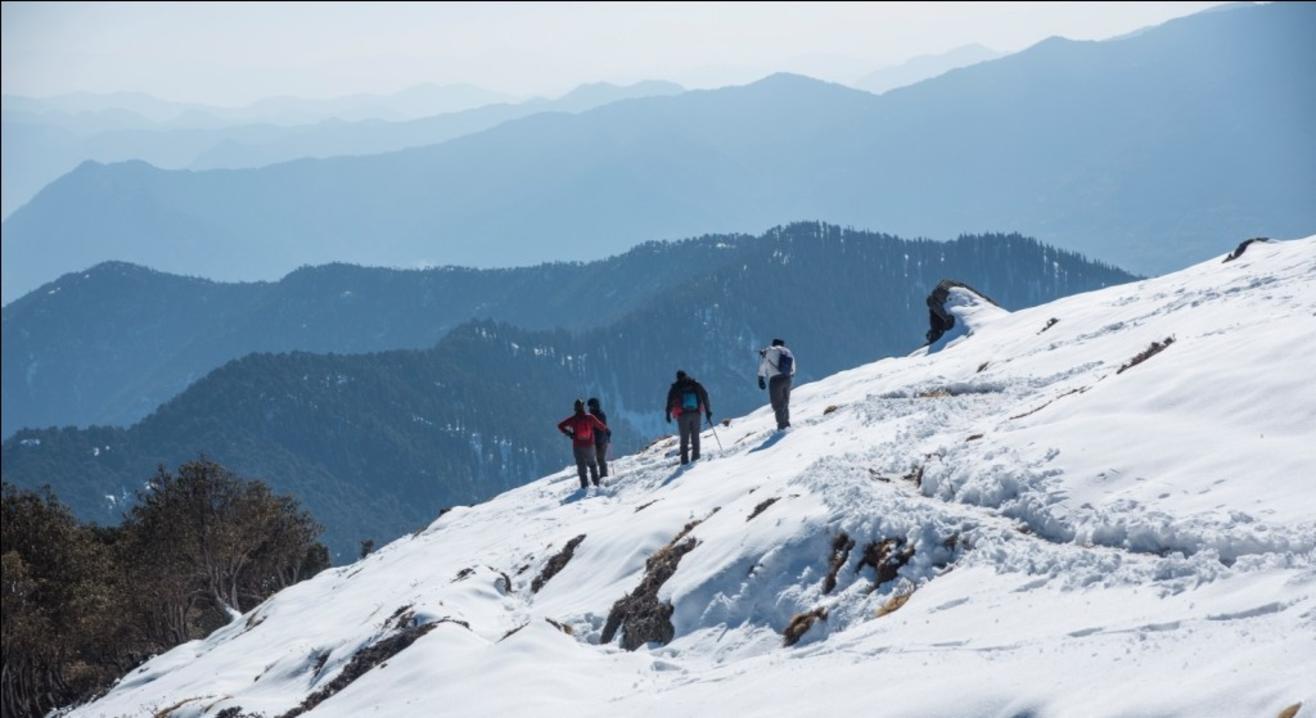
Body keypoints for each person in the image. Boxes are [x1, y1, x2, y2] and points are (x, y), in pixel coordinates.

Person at [557, 399, 609, 489]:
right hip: (590, 445)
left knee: (581, 467)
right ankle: (596, 484)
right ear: (583, 407)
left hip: (577, 446)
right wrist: (607, 431)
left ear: (575, 408)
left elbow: (560, 425)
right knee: (592, 465)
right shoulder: (589, 417)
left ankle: (584, 487)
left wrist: (570, 434)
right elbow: (601, 426)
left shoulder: (573, 419)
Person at [666, 370, 711, 465]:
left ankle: (684, 461)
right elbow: (705, 395)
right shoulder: (696, 384)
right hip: (696, 414)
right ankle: (696, 457)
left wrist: (667, 414)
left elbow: (669, 400)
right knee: (695, 436)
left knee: (684, 438)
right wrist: (708, 411)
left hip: (682, 415)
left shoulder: (676, 386)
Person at [758, 338, 796, 431]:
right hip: (787, 379)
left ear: (773, 344)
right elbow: (793, 368)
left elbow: (763, 365)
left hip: (775, 380)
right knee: (785, 402)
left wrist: (761, 378)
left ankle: (781, 426)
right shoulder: (787, 352)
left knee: (777, 403)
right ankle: (786, 423)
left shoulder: (770, 350)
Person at [586, 397, 612, 478]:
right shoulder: (596, 414)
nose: (590, 408)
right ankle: (601, 475)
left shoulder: (599, 415)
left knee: (600, 459)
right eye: (590, 406)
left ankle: (603, 475)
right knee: (598, 459)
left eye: (591, 406)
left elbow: (600, 428)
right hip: (597, 440)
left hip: (600, 441)